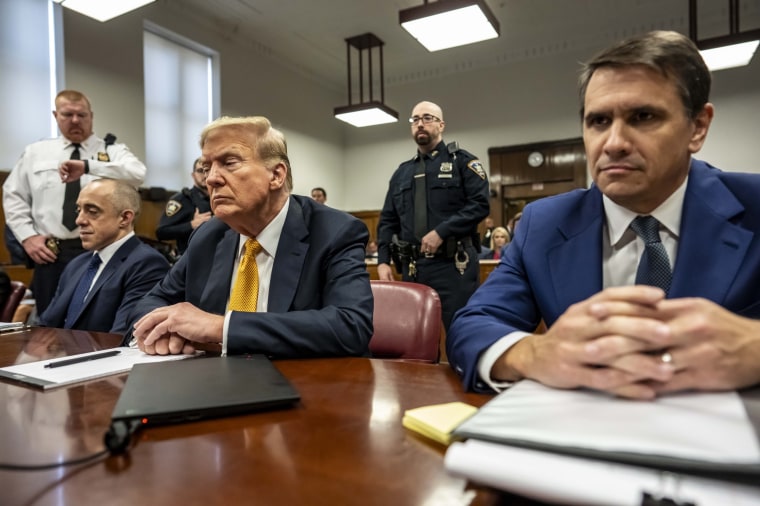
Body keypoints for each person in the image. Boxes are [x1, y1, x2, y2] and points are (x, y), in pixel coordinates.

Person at [447, 30, 760, 399]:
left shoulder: (752, 206)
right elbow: (472, 325)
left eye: (643, 116)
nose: (613, 144)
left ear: (698, 127)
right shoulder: (543, 224)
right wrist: (535, 351)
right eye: (598, 121)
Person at [128, 116, 373, 357]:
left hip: (305, 385)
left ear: (276, 175)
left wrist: (220, 328)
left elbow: (350, 326)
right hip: (211, 384)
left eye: (229, 162)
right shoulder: (208, 235)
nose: (211, 178)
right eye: (206, 167)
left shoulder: (334, 231)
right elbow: (153, 301)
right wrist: (165, 329)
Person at [2, 89, 146, 315]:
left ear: (91, 116)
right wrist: (28, 237)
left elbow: (138, 174)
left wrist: (89, 166)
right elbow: (14, 196)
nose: (75, 120)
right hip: (52, 253)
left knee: (100, 317)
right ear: (55, 115)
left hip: (104, 250)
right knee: (50, 324)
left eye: (82, 115)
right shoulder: (36, 153)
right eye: (67, 115)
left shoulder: (112, 151)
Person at [377, 101, 490, 332]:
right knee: (414, 336)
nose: (420, 124)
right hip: (413, 267)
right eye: (415, 119)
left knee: (462, 333)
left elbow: (480, 205)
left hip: (454, 264)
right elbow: (388, 220)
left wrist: (442, 231)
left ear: (441, 125)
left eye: (427, 118)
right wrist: (382, 260)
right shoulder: (401, 173)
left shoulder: (463, 162)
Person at [37, 179, 170, 335]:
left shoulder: (147, 264)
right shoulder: (77, 264)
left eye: (92, 211)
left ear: (125, 218)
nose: (79, 220)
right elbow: (45, 325)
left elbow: (121, 337)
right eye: (78, 210)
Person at [156, 157, 212, 254]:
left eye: (207, 170)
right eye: (200, 171)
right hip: (190, 257)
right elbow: (161, 232)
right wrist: (191, 225)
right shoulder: (182, 199)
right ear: (193, 175)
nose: (205, 175)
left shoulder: (218, 198)